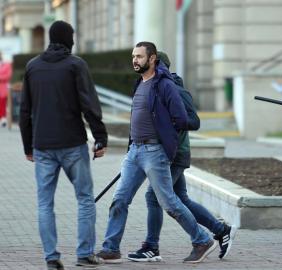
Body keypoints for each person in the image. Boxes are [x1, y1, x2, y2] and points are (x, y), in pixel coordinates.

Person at [96, 42, 216, 264]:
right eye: (133, 56)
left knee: (169, 202)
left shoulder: (165, 85)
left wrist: (163, 134)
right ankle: (111, 248)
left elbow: (181, 119)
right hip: (135, 151)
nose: (135, 60)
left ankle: (201, 240)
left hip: (154, 151)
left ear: (152, 59)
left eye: (139, 57)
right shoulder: (139, 83)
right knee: (120, 199)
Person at [126, 51, 237, 263]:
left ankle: (152, 246)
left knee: (154, 197)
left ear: (158, 65)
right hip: (163, 152)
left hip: (174, 153)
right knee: (181, 198)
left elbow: (193, 121)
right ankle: (221, 230)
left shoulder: (173, 88)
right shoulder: (151, 86)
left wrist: (166, 127)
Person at [19, 21, 107, 270]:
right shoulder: (76, 65)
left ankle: (51, 257)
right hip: (72, 145)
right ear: (69, 39)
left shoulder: (32, 67)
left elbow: (25, 110)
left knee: (45, 203)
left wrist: (28, 146)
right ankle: (84, 254)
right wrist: (100, 137)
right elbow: (89, 104)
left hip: (42, 146)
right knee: (85, 199)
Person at [0, 52, 12, 127]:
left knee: (3, 102)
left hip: (3, 87)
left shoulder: (7, 65)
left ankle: (3, 118)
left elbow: (8, 75)